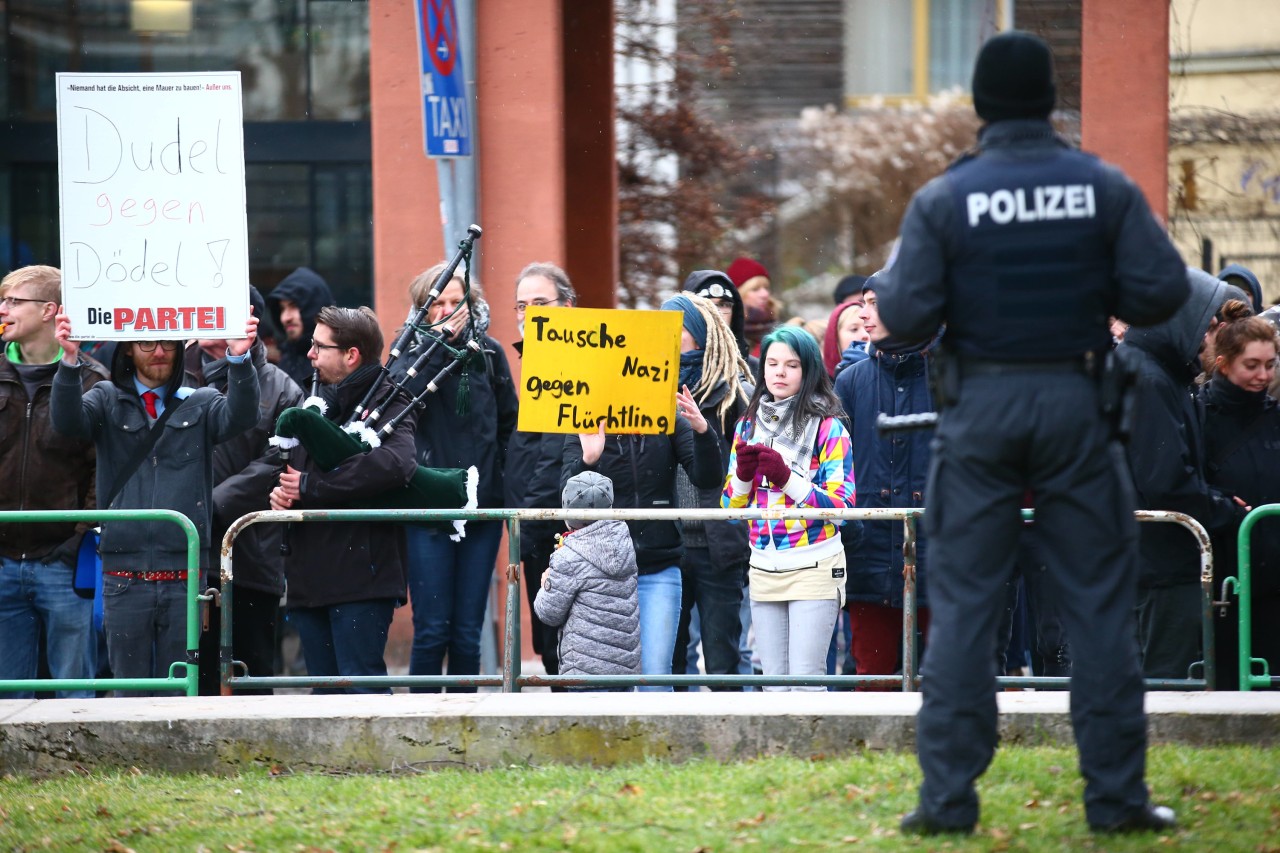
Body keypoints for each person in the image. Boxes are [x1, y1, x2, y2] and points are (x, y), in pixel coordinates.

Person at [875, 31, 1190, 834]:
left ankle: (947, 800)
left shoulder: (947, 199)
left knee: (966, 606)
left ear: (980, 104)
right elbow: (1158, 291)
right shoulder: (1101, 187)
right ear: (1050, 99)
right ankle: (1115, 798)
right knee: (1098, 608)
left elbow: (906, 316)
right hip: (1080, 406)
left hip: (978, 412)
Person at [51, 307, 260, 691]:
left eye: (167, 342)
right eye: (146, 342)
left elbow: (243, 417)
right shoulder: (105, 398)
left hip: (186, 576)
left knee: (180, 690)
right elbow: (66, 423)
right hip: (122, 577)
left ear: (181, 348)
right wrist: (68, 360)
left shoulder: (201, 400)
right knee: (128, 690)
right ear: (128, 349)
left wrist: (240, 357)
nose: (158, 351)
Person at [265, 306, 417, 693]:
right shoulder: (312, 395)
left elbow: (393, 465)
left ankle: (381, 758)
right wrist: (282, 493)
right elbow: (292, 469)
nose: (310, 353)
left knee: (362, 689)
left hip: (361, 576)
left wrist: (312, 488)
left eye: (320, 346)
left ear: (351, 354)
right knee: (324, 694)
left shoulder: (391, 398)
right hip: (308, 573)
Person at [395, 264, 518, 693]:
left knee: (468, 629)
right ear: (423, 310)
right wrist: (440, 348)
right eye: (439, 303)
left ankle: (468, 727)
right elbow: (398, 407)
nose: (449, 311)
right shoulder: (406, 352)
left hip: (481, 506)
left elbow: (508, 424)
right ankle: (420, 726)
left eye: (456, 302)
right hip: (427, 504)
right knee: (431, 628)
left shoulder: (489, 352)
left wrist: (501, 486)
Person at [1122, 270, 1249, 682]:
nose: (1210, 336)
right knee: (1163, 683)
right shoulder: (1150, 380)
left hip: (1153, 558)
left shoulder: (1157, 373)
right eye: (1207, 324)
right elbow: (1165, 480)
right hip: (1159, 562)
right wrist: (1222, 509)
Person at [562, 383, 724, 692]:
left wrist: (703, 431)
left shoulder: (667, 417)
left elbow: (708, 478)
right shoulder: (585, 417)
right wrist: (589, 460)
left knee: (654, 675)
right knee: (606, 679)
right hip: (603, 573)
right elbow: (566, 498)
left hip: (659, 566)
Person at [722, 325, 854, 691]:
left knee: (806, 679)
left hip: (815, 562)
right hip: (764, 564)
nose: (779, 372)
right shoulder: (747, 425)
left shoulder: (830, 428)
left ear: (808, 370)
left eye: (791, 365)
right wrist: (746, 478)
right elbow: (731, 507)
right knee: (773, 684)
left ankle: (816, 751)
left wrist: (785, 478)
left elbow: (842, 506)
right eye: (773, 363)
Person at [187, 285, 304, 695]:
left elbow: (279, 459)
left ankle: (262, 760)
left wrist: (213, 501)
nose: (202, 317)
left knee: (252, 672)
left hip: (252, 553)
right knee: (194, 673)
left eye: (212, 309)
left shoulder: (282, 388)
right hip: (187, 557)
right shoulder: (170, 375)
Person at [0, 265, 109, 699]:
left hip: (63, 562)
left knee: (74, 692)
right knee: (9, 699)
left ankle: (82, 769)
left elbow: (103, 471)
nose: (3, 310)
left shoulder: (91, 380)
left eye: (13, 302)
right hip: (2, 558)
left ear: (50, 311)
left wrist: (75, 543)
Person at [835, 277, 934, 690]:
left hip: (938, 554)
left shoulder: (950, 376)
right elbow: (835, 470)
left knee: (943, 681)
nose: (862, 314)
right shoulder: (851, 381)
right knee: (872, 682)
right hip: (870, 554)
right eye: (863, 303)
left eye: (874, 303)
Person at [663, 293, 752, 690]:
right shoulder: (647, 389)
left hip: (719, 544)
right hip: (668, 544)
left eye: (675, 329)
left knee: (722, 662)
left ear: (700, 335)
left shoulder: (736, 393)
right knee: (671, 662)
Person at [1201, 299, 1280, 690]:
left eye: (1270, 365)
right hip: (1224, 579)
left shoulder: (1274, 416)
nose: (1262, 375)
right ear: (1224, 363)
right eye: (1252, 365)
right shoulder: (1200, 417)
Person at [505, 262, 577, 686]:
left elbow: (554, 457)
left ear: (566, 307)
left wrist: (528, 525)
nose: (528, 313)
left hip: (557, 525)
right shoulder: (532, 362)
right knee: (546, 643)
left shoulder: (573, 364)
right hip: (530, 524)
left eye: (540, 303)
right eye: (521, 305)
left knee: (563, 642)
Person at [533, 471, 640, 690]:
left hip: (584, 672)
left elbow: (548, 613)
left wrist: (546, 583)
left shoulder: (569, 556)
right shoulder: (623, 542)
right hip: (625, 672)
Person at [266, 267, 335, 389]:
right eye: (282, 309)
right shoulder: (284, 360)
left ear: (313, 306)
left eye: (293, 306)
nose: (285, 318)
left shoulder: (337, 359)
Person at [728, 257, 779, 358]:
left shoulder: (779, 329)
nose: (765, 294)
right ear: (739, 294)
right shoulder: (727, 336)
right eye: (755, 289)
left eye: (766, 287)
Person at [821, 301, 868, 378]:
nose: (865, 335)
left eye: (867, 327)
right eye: (854, 329)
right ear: (835, 337)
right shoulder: (819, 384)